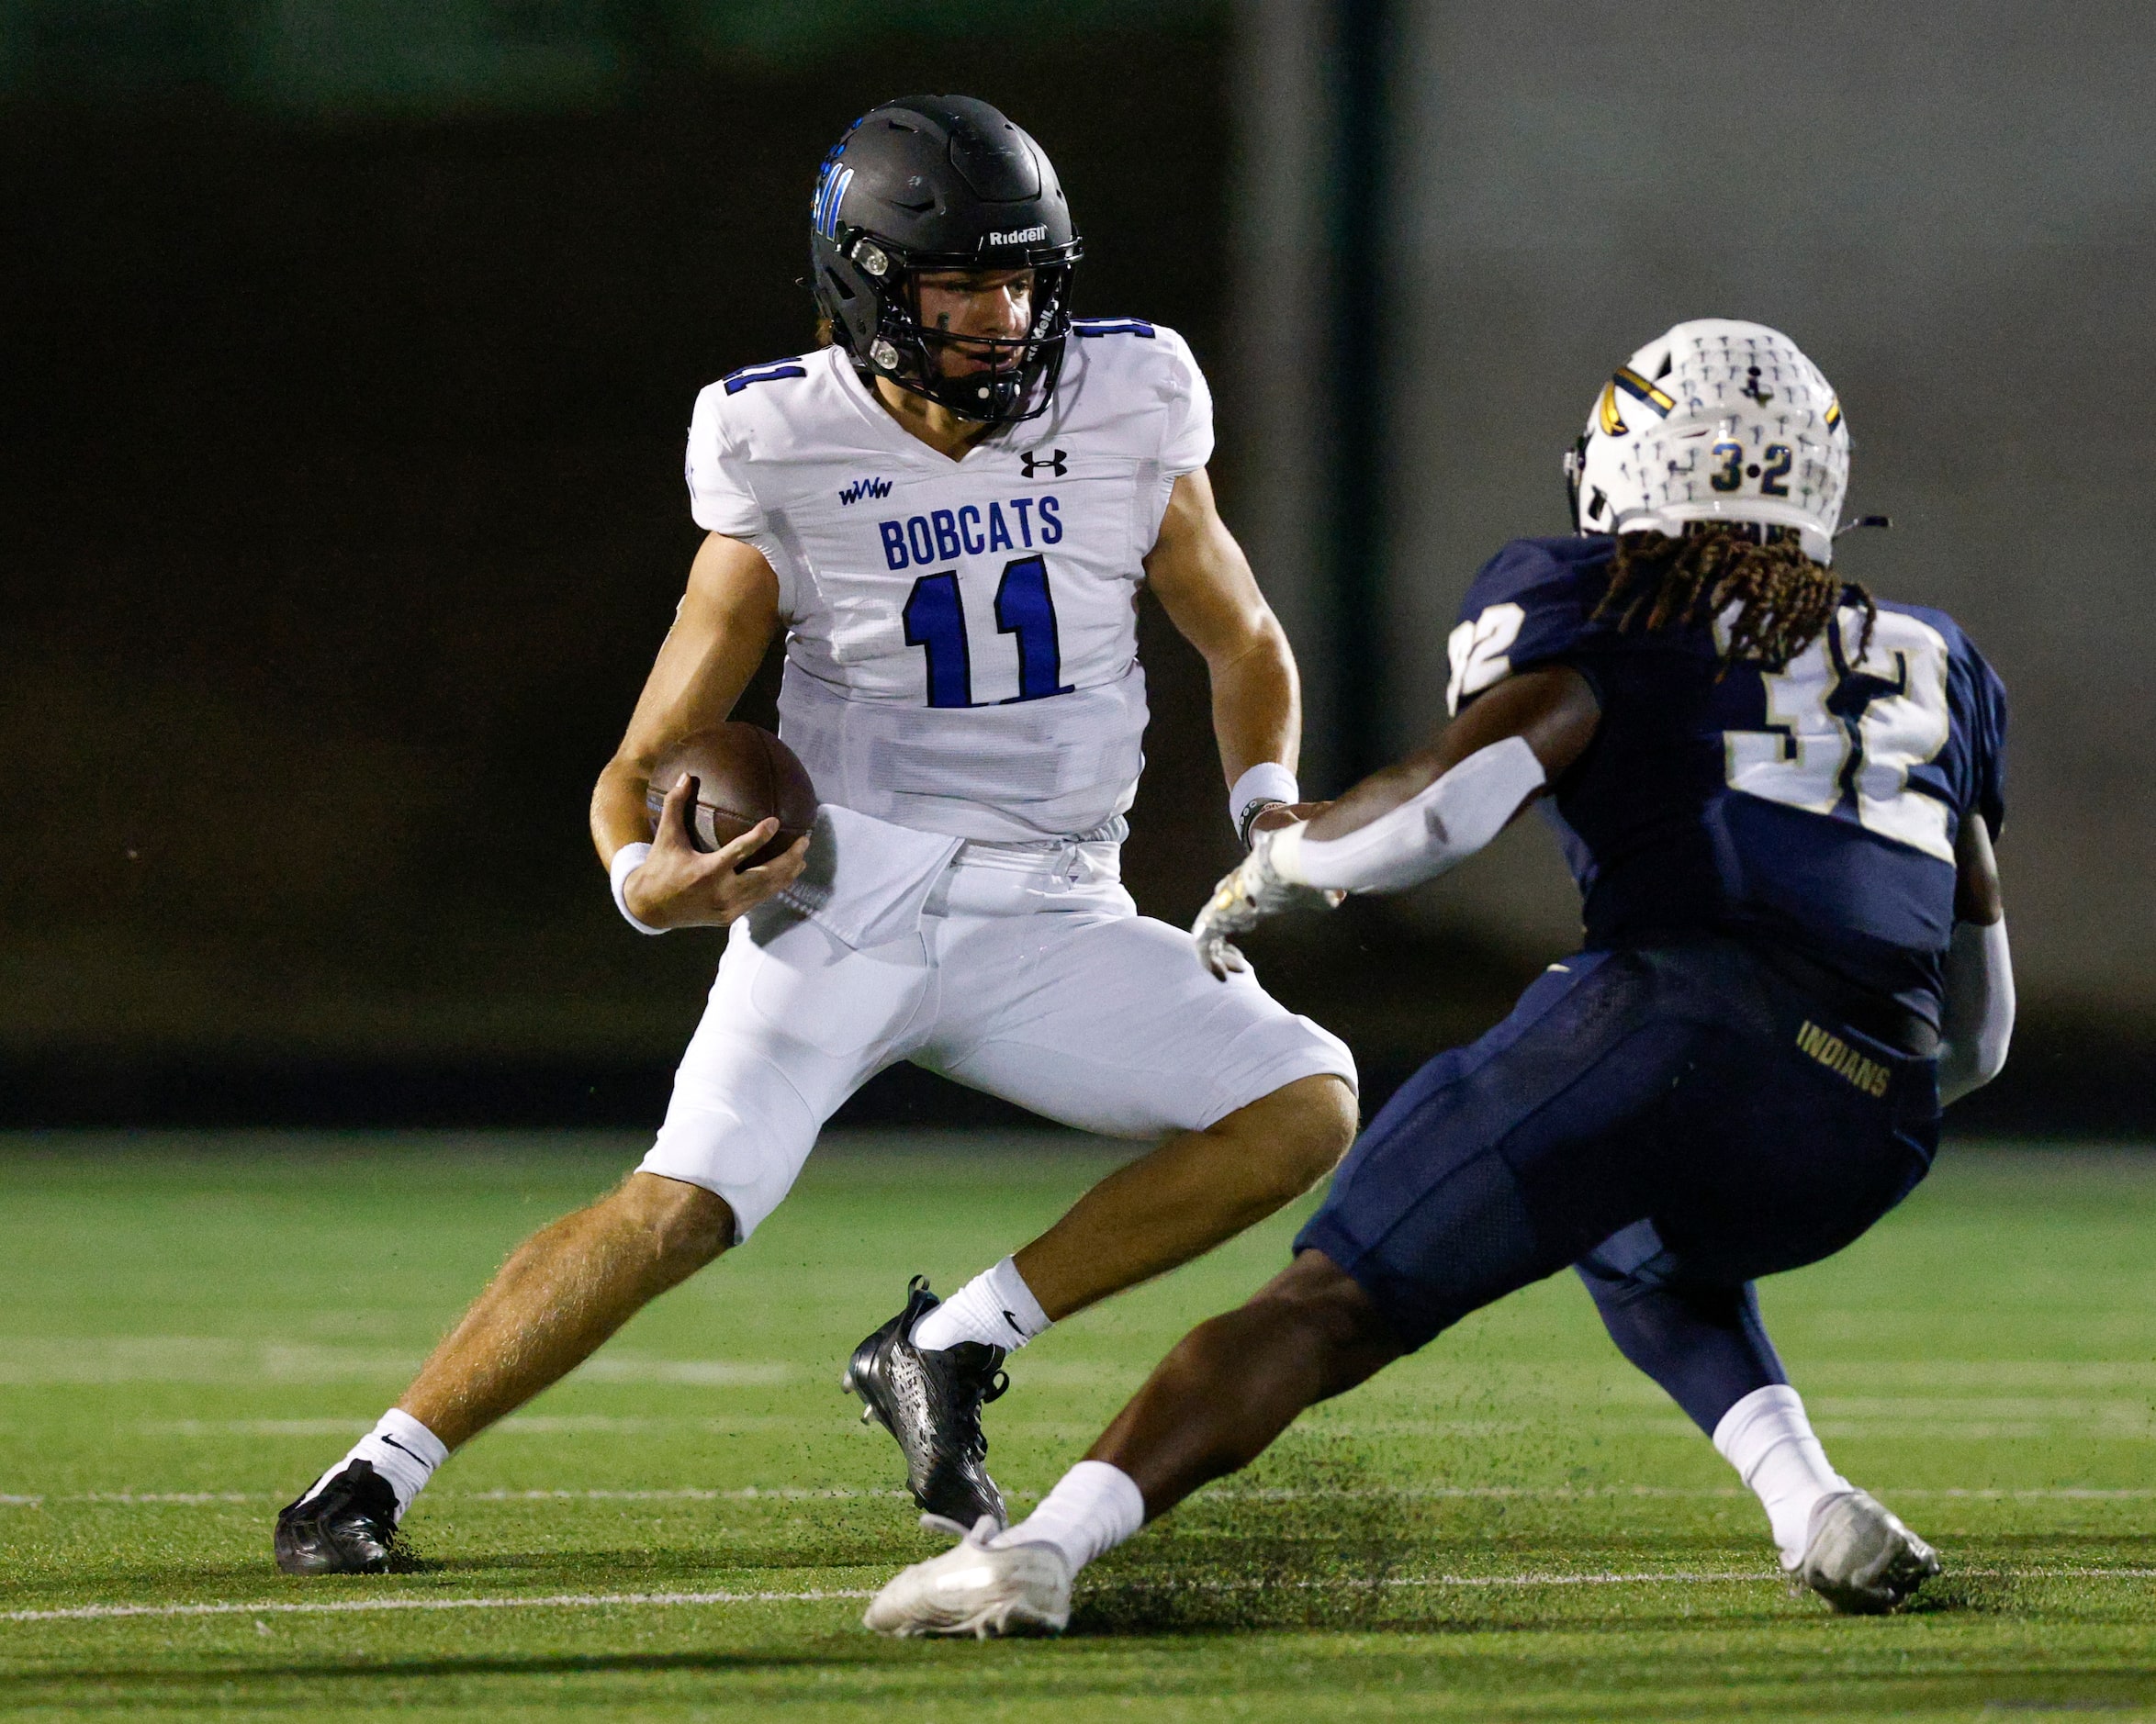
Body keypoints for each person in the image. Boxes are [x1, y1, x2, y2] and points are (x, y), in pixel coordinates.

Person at [272, 94, 1357, 1576]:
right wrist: (643, 879)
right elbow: (645, 759)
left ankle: (951, 1344)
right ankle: (367, 1476)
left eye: (1026, 277)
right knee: (683, 1205)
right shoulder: (779, 439)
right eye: (962, 282)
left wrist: (1265, 807)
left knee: (1305, 1099)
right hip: (843, 893)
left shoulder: (1131, 395)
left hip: (1054, 908)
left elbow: (1240, 637)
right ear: (866, 285)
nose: (1003, 314)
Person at [864, 319, 2016, 1636]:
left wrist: (1284, 863)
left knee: (1325, 1302)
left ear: (1622, 472)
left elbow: (1443, 814)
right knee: (1636, 1237)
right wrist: (1822, 1074)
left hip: (1677, 1013)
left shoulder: (1610, 602)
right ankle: (1813, 1503)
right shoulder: (1939, 660)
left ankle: (1042, 1552)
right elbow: (1981, 1030)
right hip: (1872, 1126)